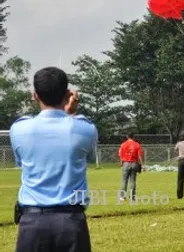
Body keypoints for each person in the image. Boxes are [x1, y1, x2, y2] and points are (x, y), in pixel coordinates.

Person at [10, 67, 98, 252]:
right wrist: (71, 115)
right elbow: (88, 157)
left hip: (32, 222)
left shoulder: (19, 129)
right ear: (67, 94)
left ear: (35, 96)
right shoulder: (85, 129)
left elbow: (21, 161)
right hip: (72, 221)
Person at [118, 133, 145, 201]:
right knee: (133, 181)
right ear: (133, 137)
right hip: (134, 163)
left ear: (127, 136)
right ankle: (132, 196)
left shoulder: (123, 144)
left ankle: (123, 197)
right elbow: (140, 156)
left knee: (124, 181)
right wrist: (142, 164)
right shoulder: (137, 144)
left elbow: (120, 155)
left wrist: (121, 164)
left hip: (126, 163)